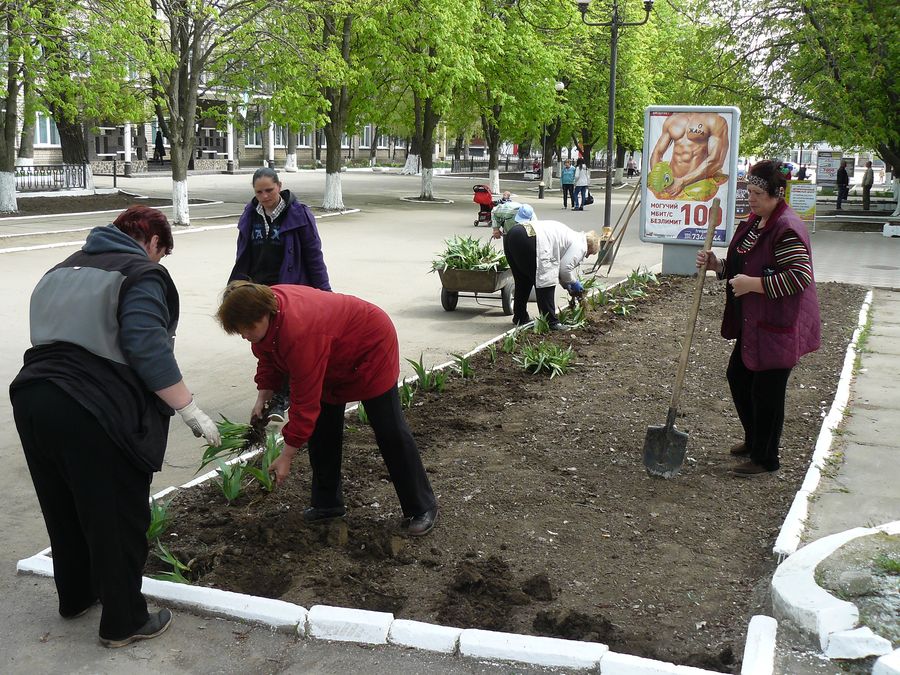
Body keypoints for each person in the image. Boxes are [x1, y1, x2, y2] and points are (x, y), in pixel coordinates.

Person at [9, 206, 220, 647]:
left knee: (63, 504)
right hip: (92, 408)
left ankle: (76, 596)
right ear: (154, 243)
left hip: (33, 396)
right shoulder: (141, 274)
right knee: (116, 514)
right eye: (162, 254)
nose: (158, 263)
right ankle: (124, 621)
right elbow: (146, 345)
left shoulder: (60, 269)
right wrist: (189, 408)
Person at [216, 281, 438, 536]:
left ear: (265, 313)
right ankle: (327, 504)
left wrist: (286, 456)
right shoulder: (264, 313)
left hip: (369, 347)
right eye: (240, 331)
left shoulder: (299, 331)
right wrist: (262, 396)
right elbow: (268, 354)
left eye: (247, 328)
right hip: (331, 353)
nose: (245, 335)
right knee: (323, 431)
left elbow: (305, 402)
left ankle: (421, 507)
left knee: (389, 430)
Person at [695, 160, 820, 477]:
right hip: (755, 324)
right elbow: (741, 264)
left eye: (756, 193)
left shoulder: (786, 228)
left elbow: (799, 277)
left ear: (776, 194)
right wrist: (717, 264)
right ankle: (754, 440)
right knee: (739, 376)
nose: (750, 198)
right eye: (748, 191)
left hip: (778, 324)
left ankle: (766, 458)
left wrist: (755, 285)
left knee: (768, 393)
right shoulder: (755, 222)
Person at [228, 167, 331, 423]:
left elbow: (314, 256)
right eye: (259, 192)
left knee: (287, 343)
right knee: (262, 342)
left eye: (269, 190)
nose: (264, 196)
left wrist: (325, 294)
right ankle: (270, 393)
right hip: (258, 289)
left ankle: (282, 397)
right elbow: (244, 255)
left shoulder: (299, 215)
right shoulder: (250, 215)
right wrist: (236, 285)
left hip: (290, 289)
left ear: (280, 186)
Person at [503, 203, 601, 329]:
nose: (586, 256)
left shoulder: (570, 235)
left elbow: (561, 271)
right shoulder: (581, 245)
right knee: (546, 280)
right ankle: (551, 322)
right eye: (589, 253)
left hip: (514, 233)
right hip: (532, 239)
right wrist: (574, 283)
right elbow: (565, 269)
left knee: (523, 280)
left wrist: (567, 286)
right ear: (590, 246)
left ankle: (520, 317)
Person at [649, 111, 730, 199]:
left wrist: (683, 181)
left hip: (698, 185)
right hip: (669, 184)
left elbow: (716, 160)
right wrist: (659, 180)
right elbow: (657, 152)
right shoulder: (672, 120)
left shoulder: (715, 120)